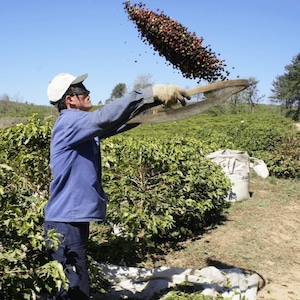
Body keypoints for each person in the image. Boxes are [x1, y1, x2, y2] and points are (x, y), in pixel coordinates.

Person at [44, 72, 191, 299]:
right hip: (64, 221)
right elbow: (104, 117)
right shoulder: (69, 122)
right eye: (82, 90)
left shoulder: (80, 128)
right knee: (73, 286)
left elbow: (114, 124)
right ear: (70, 99)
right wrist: (149, 93)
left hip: (70, 218)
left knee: (75, 280)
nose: (88, 93)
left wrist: (147, 110)